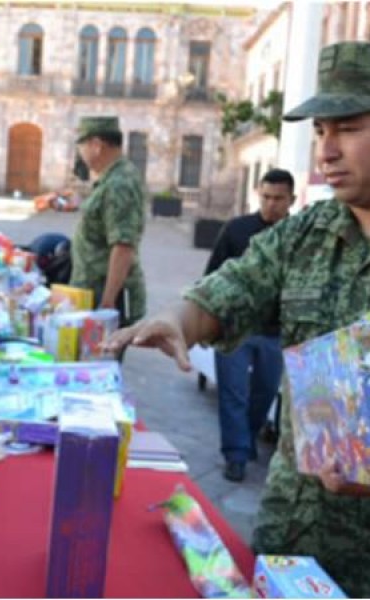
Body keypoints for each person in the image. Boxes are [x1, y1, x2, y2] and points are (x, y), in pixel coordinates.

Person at [104, 41, 370, 597]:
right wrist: (180, 320)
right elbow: (234, 287)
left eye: (346, 127)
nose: (327, 150)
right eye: (321, 132)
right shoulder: (311, 232)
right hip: (293, 536)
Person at [204, 168, 295, 483]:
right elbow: (211, 276)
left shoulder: (301, 238)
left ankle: (247, 440)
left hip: (276, 332)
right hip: (234, 329)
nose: (271, 204)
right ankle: (236, 455)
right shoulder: (236, 229)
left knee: (265, 392)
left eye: (278, 199)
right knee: (233, 393)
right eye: (266, 197)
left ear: (291, 200)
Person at [69, 116, 147, 327]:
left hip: (105, 296)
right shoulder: (112, 177)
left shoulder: (119, 183)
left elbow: (123, 245)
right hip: (93, 291)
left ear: (96, 145)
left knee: (96, 358)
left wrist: (107, 302)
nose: (80, 154)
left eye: (82, 146)